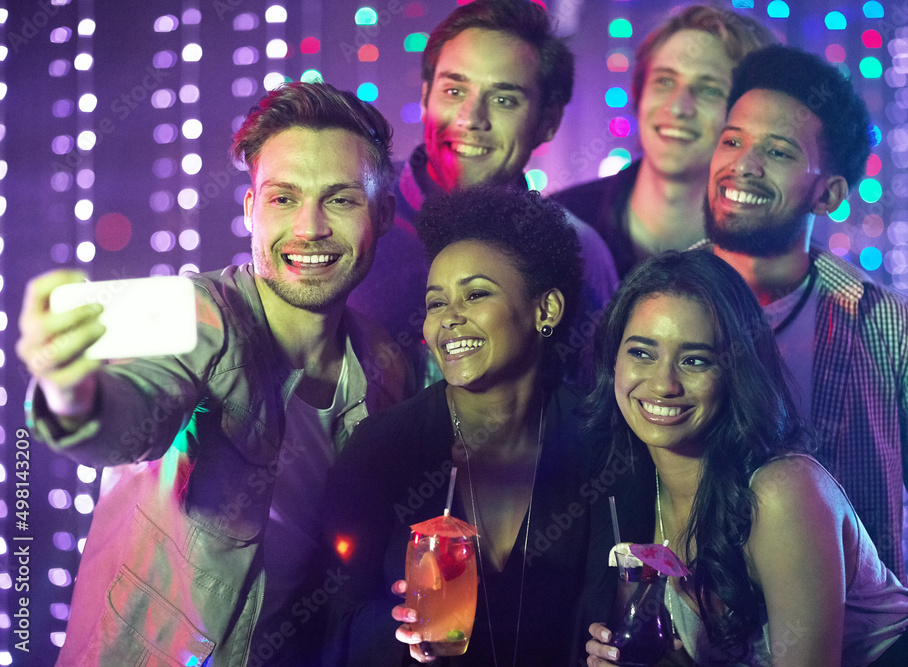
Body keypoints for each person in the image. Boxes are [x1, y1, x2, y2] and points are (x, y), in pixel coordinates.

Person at [15, 82, 408, 666]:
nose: (310, 227)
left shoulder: (383, 364)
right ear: (251, 209)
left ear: (382, 213)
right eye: (283, 198)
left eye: (342, 200)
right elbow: (132, 417)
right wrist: (71, 393)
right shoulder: (201, 314)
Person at [582, 251, 908, 666]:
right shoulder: (634, 494)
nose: (663, 383)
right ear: (613, 358)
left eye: (695, 360)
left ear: (735, 371)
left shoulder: (782, 492)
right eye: (641, 352)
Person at [697, 44, 908, 630]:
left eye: (777, 152)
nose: (743, 166)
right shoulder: (652, 309)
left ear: (827, 194)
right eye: (732, 141)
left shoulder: (890, 329)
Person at [323, 185, 637, 666]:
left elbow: (619, 616)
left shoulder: (602, 443)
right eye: (435, 303)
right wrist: (397, 629)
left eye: (475, 295)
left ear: (545, 310)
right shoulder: (382, 448)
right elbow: (332, 626)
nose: (449, 319)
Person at [347, 0, 619, 386]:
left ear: (548, 121)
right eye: (455, 90)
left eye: (504, 99)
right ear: (426, 98)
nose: (472, 119)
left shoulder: (580, 253)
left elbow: (594, 410)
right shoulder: (353, 209)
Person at [552, 5, 775, 279]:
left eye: (709, 89)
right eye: (665, 82)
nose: (679, 107)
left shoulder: (764, 248)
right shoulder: (559, 222)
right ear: (640, 94)